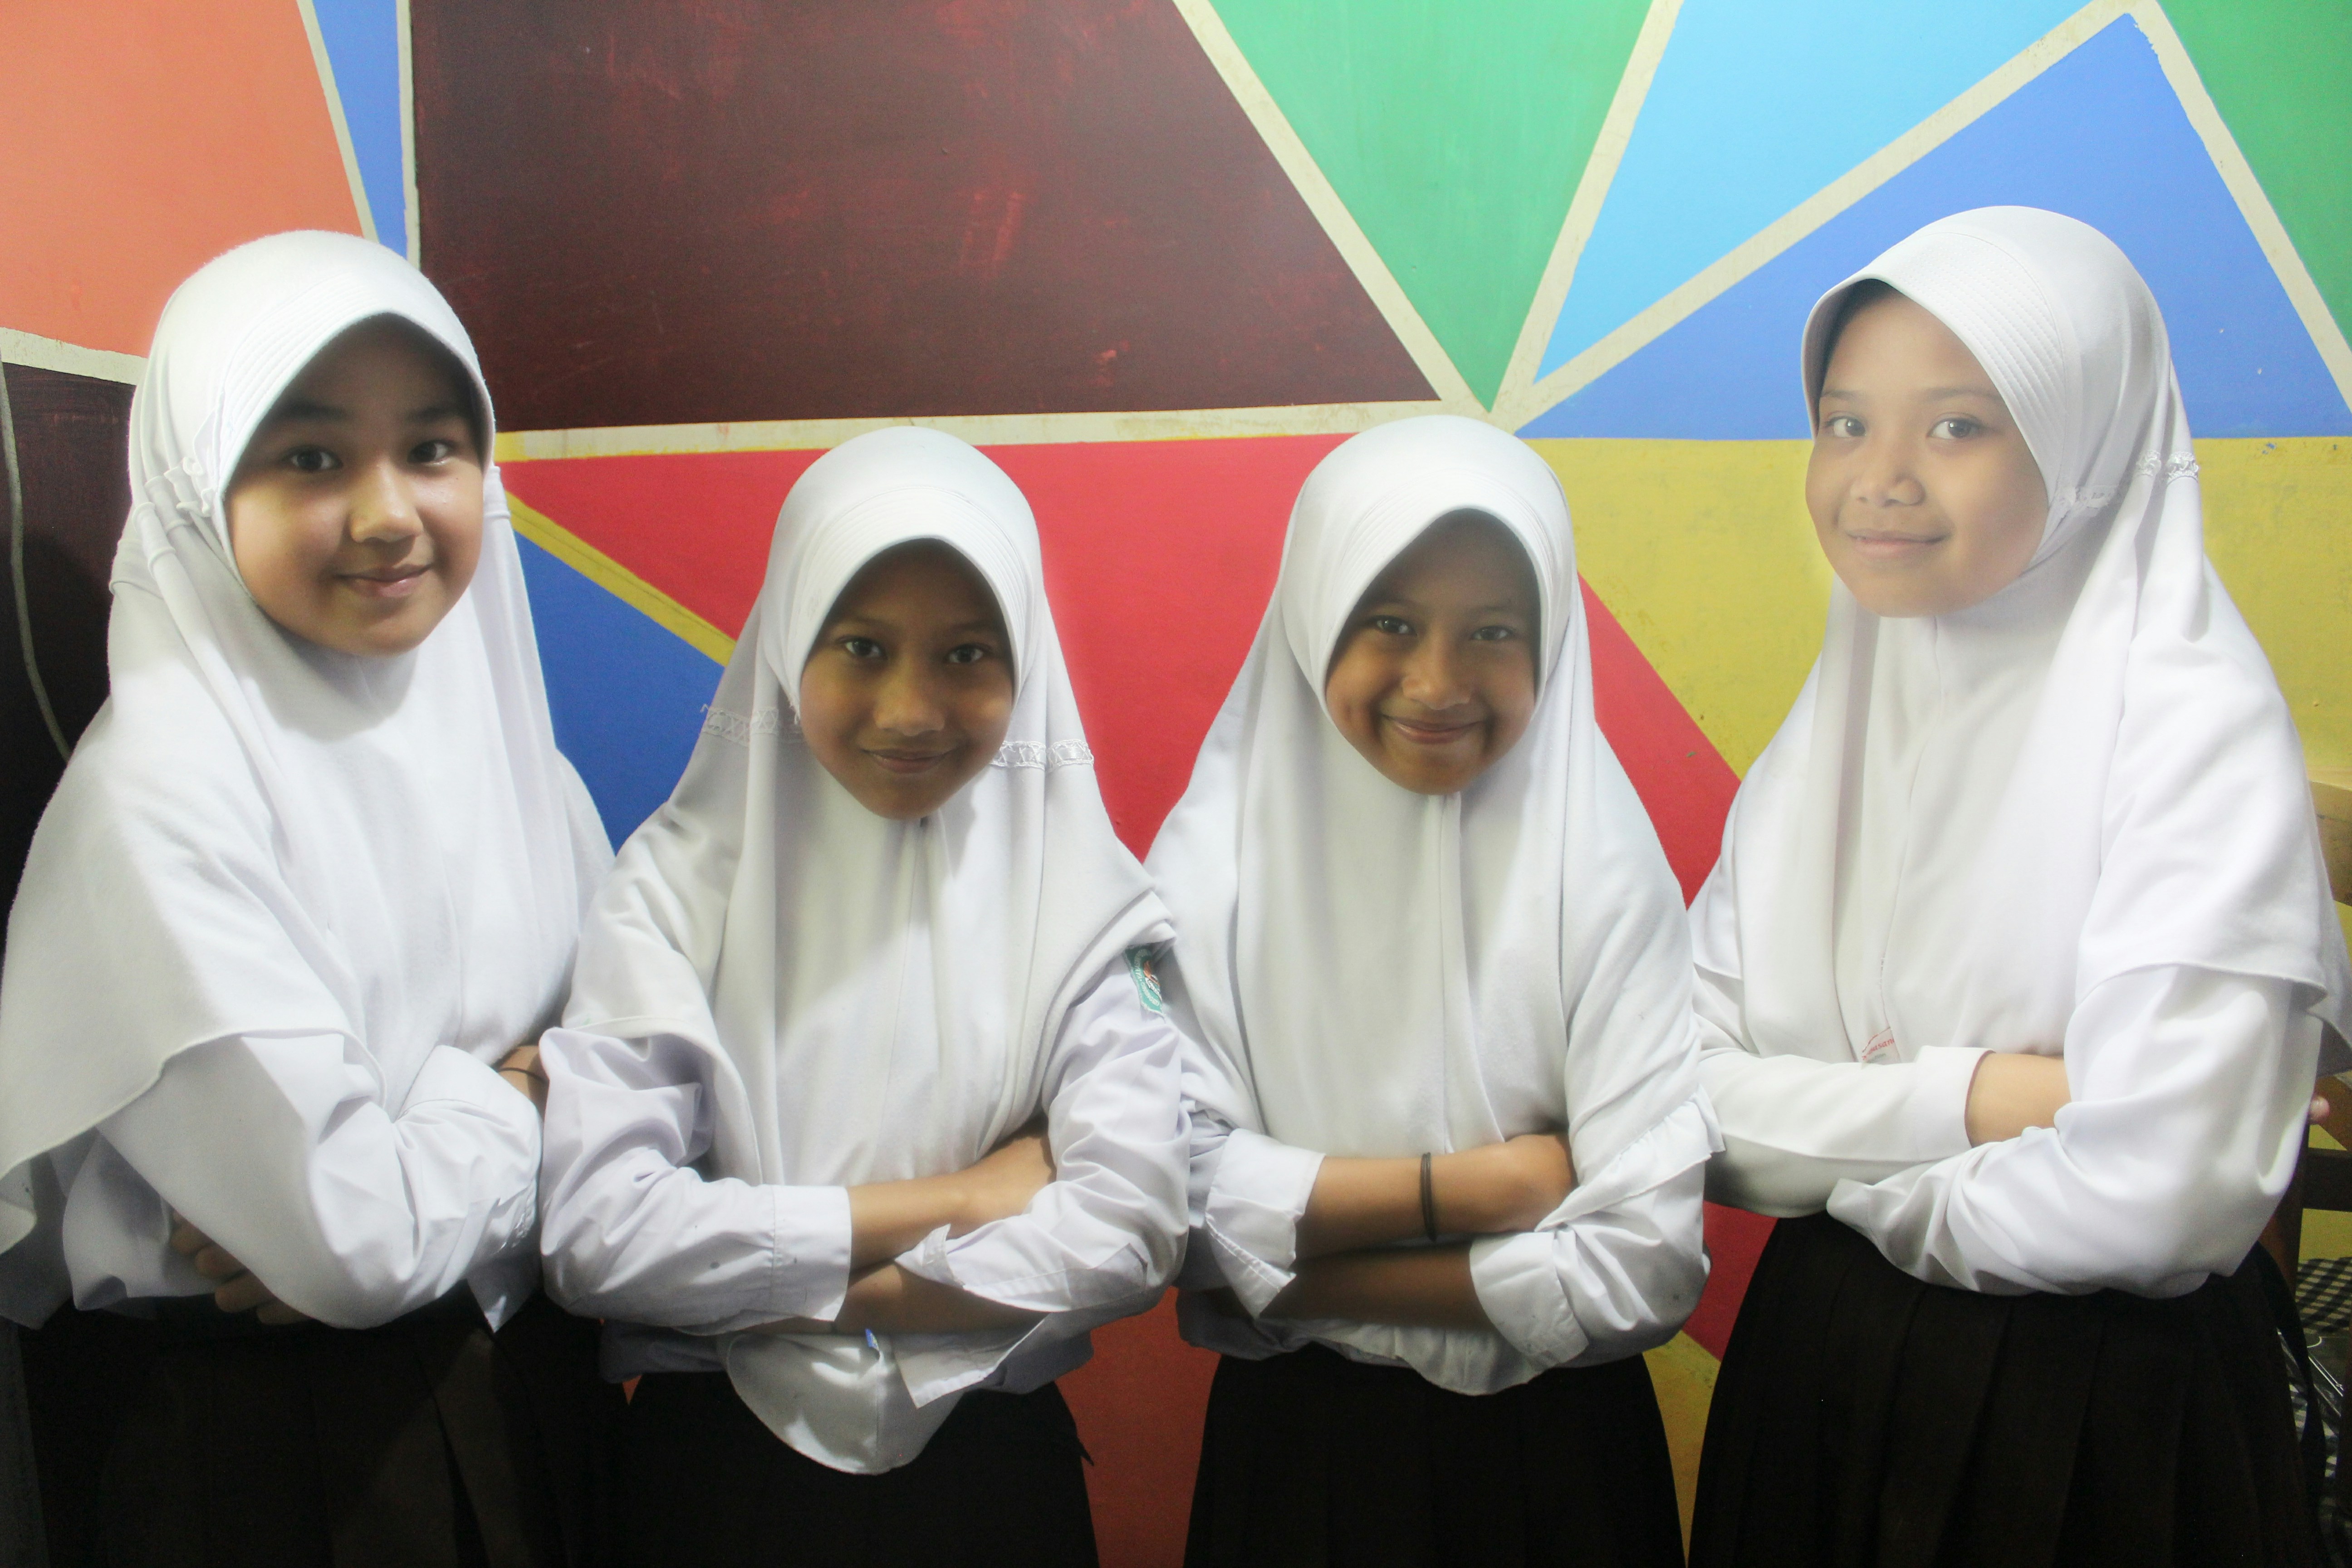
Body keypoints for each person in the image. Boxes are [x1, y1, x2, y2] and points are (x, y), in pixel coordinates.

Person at [1686, 206, 2352, 1568]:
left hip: (2101, 1417)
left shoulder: (2191, 727)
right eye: (1843, 421)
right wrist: (1993, 1098)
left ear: (2088, 442)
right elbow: (1684, 1097)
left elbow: (2160, 1196)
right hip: (1820, 1391)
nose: (1876, 480)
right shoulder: (1841, 716)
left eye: (1958, 427)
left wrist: (1847, 1175)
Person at [0, 231, 619, 1566]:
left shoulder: (523, 764)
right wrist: (526, 1097)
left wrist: (456, 1156)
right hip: (265, 1463)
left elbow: (656, 1090)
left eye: (436, 448)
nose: (390, 512)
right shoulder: (158, 803)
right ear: (192, 487)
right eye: (311, 457)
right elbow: (357, 1244)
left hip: (530, 1406)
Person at [536, 426, 1188, 1567]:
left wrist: (760, 1285)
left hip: (992, 1482)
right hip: (717, 1484)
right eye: (863, 646)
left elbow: (1130, 1231)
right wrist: (971, 1196)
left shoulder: (1087, 902)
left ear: (1024, 659)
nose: (911, 710)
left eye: (968, 654)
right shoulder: (677, 890)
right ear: (791, 643)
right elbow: (599, 1239)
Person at [1155, 415, 1713, 1567]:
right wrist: (1494, 1185)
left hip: (1559, 1469)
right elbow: (1171, 1210)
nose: (1438, 682)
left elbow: (1642, 1269)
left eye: (1494, 633)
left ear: (1550, 641)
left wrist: (1293, 1277)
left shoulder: (1602, 868)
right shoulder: (1209, 871)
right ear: (1314, 619)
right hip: (1299, 1461)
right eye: (1390, 623)